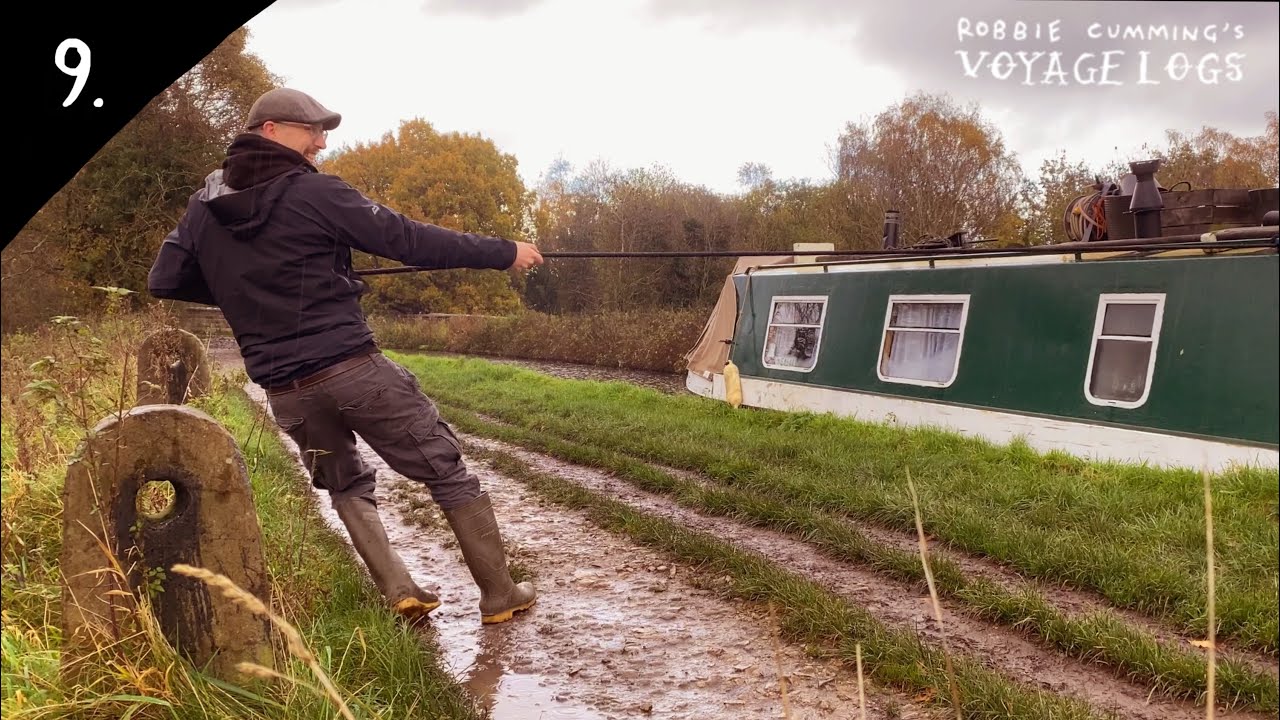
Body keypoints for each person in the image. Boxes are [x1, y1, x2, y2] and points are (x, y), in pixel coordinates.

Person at [147, 87, 543, 625]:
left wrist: (249, 285)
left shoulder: (204, 206)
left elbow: (166, 278)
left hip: (286, 392)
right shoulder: (316, 192)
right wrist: (503, 252)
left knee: (344, 483)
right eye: (312, 130)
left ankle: (400, 590)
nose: (321, 142)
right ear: (270, 131)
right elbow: (408, 240)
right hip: (353, 370)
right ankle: (500, 595)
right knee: (445, 468)